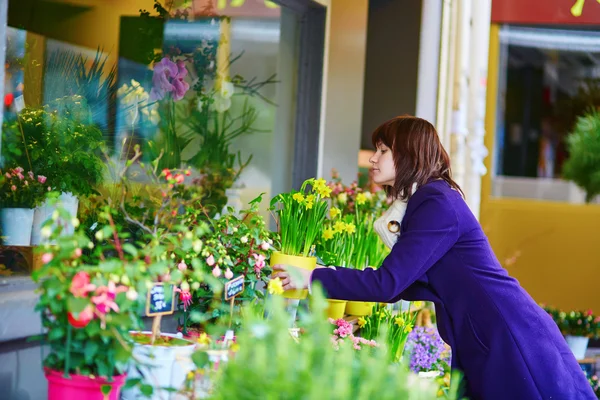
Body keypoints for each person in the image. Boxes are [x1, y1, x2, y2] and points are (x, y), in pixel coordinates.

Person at [273, 116, 595, 400]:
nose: (373, 159)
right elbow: (402, 282)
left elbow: (389, 284)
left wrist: (312, 276)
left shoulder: (436, 203)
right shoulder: (428, 201)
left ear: (409, 154)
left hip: (510, 341)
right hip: (492, 337)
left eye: (383, 150)